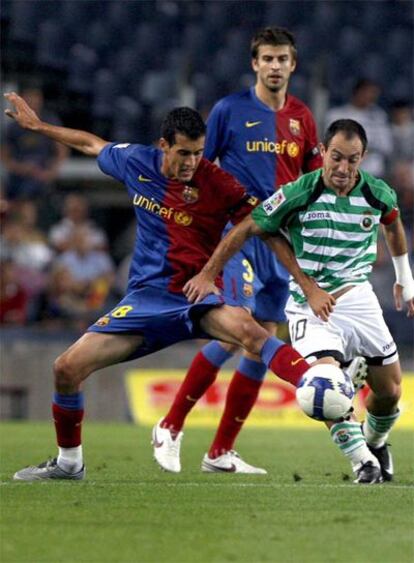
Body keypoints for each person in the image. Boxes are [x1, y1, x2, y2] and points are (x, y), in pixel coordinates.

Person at [4, 92, 328, 481]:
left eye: (198, 153)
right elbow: (92, 143)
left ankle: (316, 382)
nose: (192, 163)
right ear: (164, 146)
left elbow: (264, 226)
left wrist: (301, 281)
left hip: (198, 297)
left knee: (253, 335)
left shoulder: (218, 182)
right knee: (66, 369)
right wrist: (39, 127)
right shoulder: (135, 162)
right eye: (184, 154)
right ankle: (69, 463)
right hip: (146, 301)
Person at [184, 119, 414, 484]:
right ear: (323, 152)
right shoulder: (298, 192)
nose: (342, 168)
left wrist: (405, 278)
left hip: (359, 299)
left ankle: (376, 443)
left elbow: (393, 223)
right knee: (320, 387)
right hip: (309, 305)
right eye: (336, 157)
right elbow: (251, 227)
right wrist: (210, 273)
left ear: (363, 158)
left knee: (389, 393)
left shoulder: (377, 193)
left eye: (352, 160)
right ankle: (362, 463)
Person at [153, 26, 323, 474]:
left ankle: (220, 451)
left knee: (259, 342)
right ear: (254, 63)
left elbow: (314, 175)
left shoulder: (302, 117)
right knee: (237, 331)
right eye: (267, 59)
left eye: (282, 59)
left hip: (280, 241)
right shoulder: (230, 110)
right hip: (239, 236)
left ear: (293, 64)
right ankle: (170, 425)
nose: (274, 66)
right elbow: (201, 166)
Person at [0, 86, 68, 200]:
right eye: (28, 97)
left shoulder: (50, 121)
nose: (33, 101)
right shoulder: (13, 127)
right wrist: (21, 168)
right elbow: (5, 156)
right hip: (18, 176)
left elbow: (62, 150)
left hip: (43, 175)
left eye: (35, 97)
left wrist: (52, 172)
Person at [325, 78, 392, 177]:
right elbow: (330, 143)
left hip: (373, 172)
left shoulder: (379, 116)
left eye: (374, 94)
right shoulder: (336, 115)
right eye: (369, 93)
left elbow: (387, 146)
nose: (372, 97)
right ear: (358, 92)